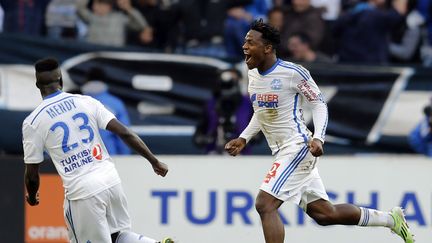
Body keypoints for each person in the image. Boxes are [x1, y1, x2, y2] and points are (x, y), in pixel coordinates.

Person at [224, 19, 414, 243]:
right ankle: (391, 220)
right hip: (281, 150)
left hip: (297, 147)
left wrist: (318, 137)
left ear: (267, 48)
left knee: (264, 204)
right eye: (245, 42)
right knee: (325, 214)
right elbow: (262, 111)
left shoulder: (294, 73)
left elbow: (318, 104)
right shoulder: (254, 74)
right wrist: (245, 137)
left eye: (250, 42)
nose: (244, 47)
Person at [23, 58, 174, 243]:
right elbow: (124, 132)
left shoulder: (33, 122)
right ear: (60, 79)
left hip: (82, 192)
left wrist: (31, 196)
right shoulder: (86, 101)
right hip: (111, 180)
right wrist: (154, 161)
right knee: (118, 236)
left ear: (37, 84)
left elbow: (32, 174)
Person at [81, 67, 131, 155]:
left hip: (82, 160)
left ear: (86, 81)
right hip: (110, 158)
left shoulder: (75, 103)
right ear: (104, 81)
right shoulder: (116, 103)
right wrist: (125, 158)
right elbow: (124, 134)